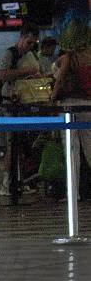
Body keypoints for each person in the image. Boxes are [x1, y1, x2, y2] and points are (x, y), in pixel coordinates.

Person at [0, 22, 41, 196]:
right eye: (28, 42)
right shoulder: (11, 54)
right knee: (11, 144)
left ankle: (21, 180)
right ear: (21, 38)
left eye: (33, 43)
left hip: (25, 103)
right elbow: (1, 75)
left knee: (23, 145)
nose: (30, 46)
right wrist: (25, 72)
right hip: (10, 105)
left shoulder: (30, 55)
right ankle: (7, 183)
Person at [51, 21, 91, 200]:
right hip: (88, 105)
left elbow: (59, 81)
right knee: (90, 149)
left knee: (71, 150)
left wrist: (52, 98)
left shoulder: (69, 57)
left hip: (69, 106)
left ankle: (73, 193)